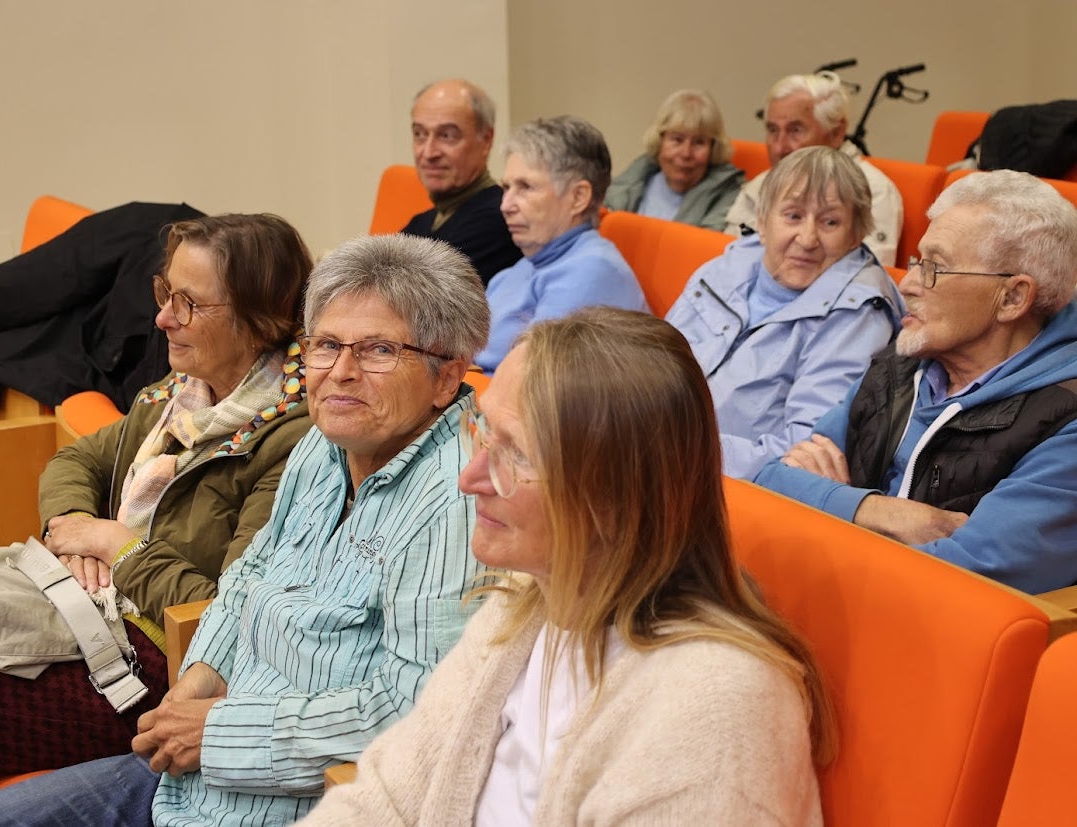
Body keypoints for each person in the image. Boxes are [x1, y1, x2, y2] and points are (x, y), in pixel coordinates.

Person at [0, 233, 492, 827]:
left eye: (377, 350)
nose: (340, 373)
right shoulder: (324, 447)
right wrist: (196, 683)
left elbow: (417, 710)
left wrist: (217, 732)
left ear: (445, 377)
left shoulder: (461, 498)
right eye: (326, 345)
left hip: (293, 801)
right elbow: (247, 579)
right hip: (189, 775)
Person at [0, 213, 316, 825]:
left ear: (261, 317)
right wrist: (74, 528)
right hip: (75, 613)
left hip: (139, 670)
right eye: (164, 292)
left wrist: (119, 546)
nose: (163, 318)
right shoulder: (184, 392)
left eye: (190, 304)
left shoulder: (291, 443)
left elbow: (225, 616)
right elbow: (76, 458)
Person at [297, 307, 833, 824]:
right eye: (483, 431)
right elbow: (387, 799)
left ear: (615, 498)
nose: (471, 478)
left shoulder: (716, 709)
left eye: (517, 455)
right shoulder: (525, 605)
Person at [756, 170, 1077, 594]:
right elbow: (771, 481)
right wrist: (880, 512)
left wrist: (826, 508)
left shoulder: (1065, 421)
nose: (906, 284)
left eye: (934, 269)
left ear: (1013, 298)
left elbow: (955, 579)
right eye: (915, 261)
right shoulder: (905, 363)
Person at [665, 146, 903, 479]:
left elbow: (804, 450)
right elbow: (652, 365)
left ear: (855, 236)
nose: (807, 239)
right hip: (653, 451)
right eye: (793, 216)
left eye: (830, 222)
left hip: (719, 483)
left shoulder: (858, 314)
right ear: (762, 222)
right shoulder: (723, 268)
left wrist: (673, 448)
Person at [476, 115, 648, 374]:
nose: (505, 205)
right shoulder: (527, 263)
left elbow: (532, 386)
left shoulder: (593, 271)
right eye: (506, 187)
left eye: (525, 187)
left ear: (578, 197)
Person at [723, 71, 903, 266]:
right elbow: (725, 261)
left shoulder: (872, 191)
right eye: (773, 130)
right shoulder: (759, 185)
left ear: (836, 132)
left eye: (795, 130)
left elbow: (866, 278)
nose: (779, 147)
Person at [401, 78, 522, 285]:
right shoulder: (422, 222)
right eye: (419, 134)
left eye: (447, 136)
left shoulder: (500, 219)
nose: (428, 152)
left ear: (486, 140)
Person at [604, 89, 745, 230]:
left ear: (713, 148)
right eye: (677, 139)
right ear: (660, 141)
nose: (686, 153)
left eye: (699, 142)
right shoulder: (635, 178)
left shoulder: (729, 197)